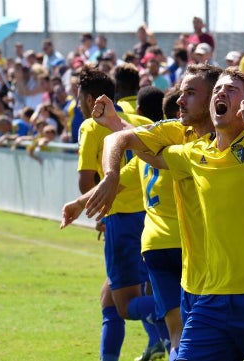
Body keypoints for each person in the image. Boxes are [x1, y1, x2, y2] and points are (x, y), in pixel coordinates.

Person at [83, 24, 244, 360]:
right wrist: (109, 172)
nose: (221, 93)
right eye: (218, 89)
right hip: (211, 299)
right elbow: (125, 141)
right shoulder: (192, 153)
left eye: (232, 89)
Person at [75, 66, 160, 361]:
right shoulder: (141, 121)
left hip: (122, 219)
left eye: (79, 98)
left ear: (89, 100)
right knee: (109, 299)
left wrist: (97, 211)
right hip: (151, 218)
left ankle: (185, 312)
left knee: (127, 304)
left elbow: (86, 179)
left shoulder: (90, 126)